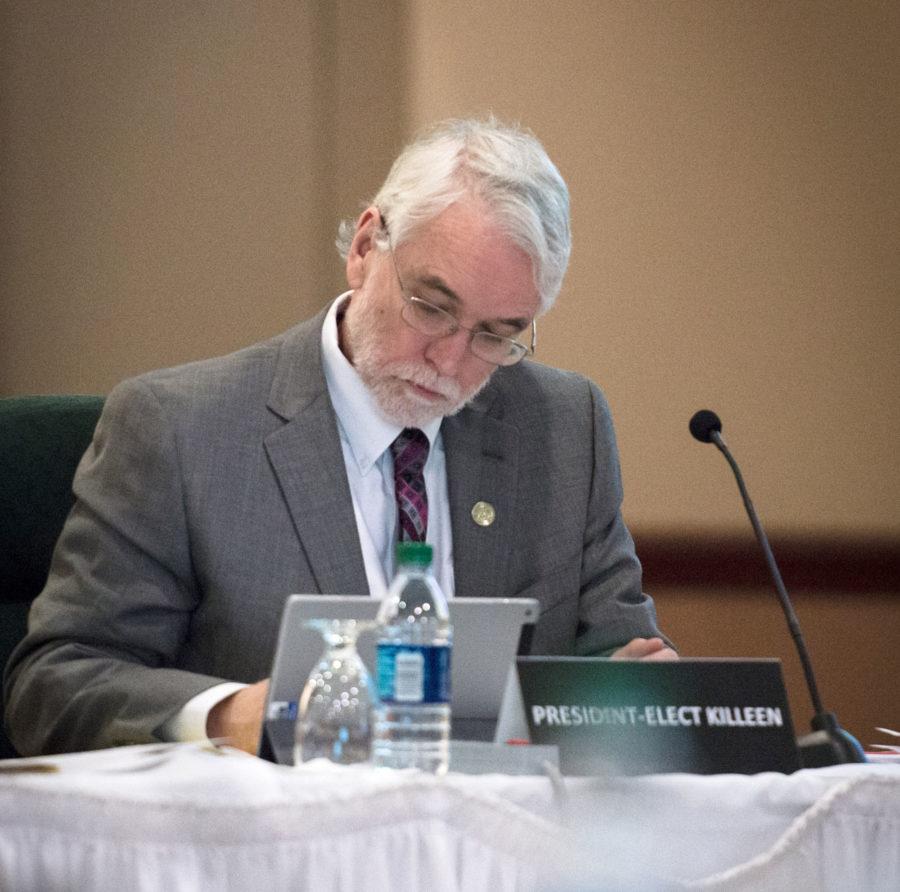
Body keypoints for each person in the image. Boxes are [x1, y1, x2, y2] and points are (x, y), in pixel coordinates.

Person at [4, 118, 675, 757]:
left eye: (495, 335)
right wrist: (228, 715)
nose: (450, 360)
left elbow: (615, 657)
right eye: (432, 307)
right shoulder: (180, 430)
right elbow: (55, 683)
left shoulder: (562, 427)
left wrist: (635, 690)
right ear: (363, 249)